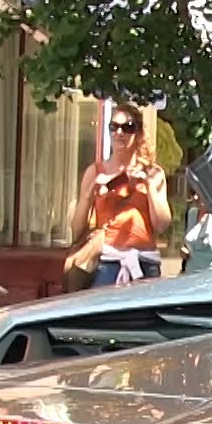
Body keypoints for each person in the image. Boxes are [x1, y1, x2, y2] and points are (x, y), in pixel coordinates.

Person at [66, 103, 169, 289]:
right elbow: (76, 230)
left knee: (143, 319)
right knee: (105, 317)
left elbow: (161, 225)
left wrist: (149, 186)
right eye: (114, 127)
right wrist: (90, 194)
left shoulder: (153, 173)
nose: (119, 133)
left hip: (145, 263)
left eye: (127, 127)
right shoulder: (95, 171)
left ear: (138, 133)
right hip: (108, 261)